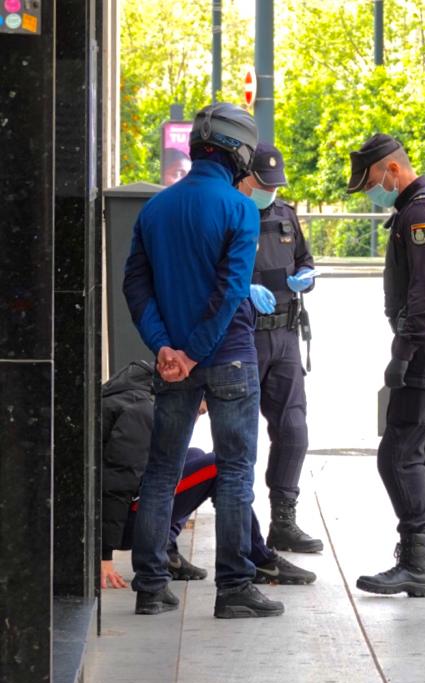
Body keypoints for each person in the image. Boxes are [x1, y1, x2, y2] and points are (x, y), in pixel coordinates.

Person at [122, 102, 283, 619]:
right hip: (230, 357)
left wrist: (165, 348)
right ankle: (234, 589)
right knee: (235, 472)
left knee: (161, 471)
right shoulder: (238, 208)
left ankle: (150, 586)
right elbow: (232, 288)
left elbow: (136, 285)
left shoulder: (156, 209)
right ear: (238, 152)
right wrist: (193, 351)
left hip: (172, 363)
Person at [346, 134, 425, 597]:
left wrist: (403, 353)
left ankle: (416, 560)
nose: (374, 192)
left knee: (397, 452)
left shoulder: (419, 214)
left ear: (392, 170)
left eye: (374, 181)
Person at [100, 361, 316, 589]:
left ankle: (166, 549)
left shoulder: (139, 393)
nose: (195, 419)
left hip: (127, 514)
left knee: (194, 455)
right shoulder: (142, 410)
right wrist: (103, 555)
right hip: (126, 525)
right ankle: (261, 559)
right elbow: (115, 483)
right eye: (200, 412)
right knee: (218, 466)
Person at [237, 143, 323, 554]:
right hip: (245, 336)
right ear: (246, 178)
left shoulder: (286, 215)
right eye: (263, 183)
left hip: (285, 335)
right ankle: (240, 528)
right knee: (239, 437)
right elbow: (210, 272)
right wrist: (242, 289)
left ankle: (283, 521)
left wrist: (307, 275)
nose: (269, 191)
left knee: (293, 430)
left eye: (276, 185)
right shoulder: (231, 214)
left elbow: (305, 259)